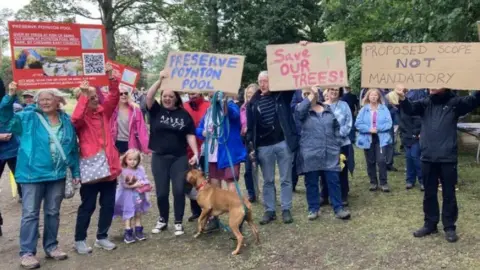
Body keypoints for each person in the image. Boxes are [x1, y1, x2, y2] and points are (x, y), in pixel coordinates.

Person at [0, 83, 81, 269]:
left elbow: (72, 149)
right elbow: (4, 118)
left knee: (53, 212)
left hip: (58, 175)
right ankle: (27, 252)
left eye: (48, 99)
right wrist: (10, 96)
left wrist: (75, 171)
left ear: (58, 101)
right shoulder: (28, 117)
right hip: (31, 174)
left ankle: (51, 246)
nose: (44, 102)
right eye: (41, 99)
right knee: (30, 214)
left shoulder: (66, 120)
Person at [395, 86, 480, 243]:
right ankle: (430, 224)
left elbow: (474, 101)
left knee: (449, 194)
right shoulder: (425, 103)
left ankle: (449, 227)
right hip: (427, 157)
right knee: (429, 193)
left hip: (447, 158)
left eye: (436, 83)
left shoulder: (455, 103)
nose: (431, 86)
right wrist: (402, 97)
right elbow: (409, 109)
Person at [72, 64, 122, 255]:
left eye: (94, 97)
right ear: (81, 99)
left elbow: (114, 97)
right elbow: (75, 119)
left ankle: (102, 236)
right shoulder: (80, 119)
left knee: (108, 204)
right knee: (88, 205)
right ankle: (80, 239)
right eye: (89, 97)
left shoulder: (103, 112)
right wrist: (84, 97)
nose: (94, 100)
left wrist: (111, 78)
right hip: (91, 168)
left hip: (109, 167)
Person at [146, 70, 198, 236]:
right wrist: (160, 80)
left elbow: (190, 135)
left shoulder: (184, 115)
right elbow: (148, 96)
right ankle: (162, 219)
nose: (167, 99)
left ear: (176, 98)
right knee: (161, 192)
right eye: (164, 96)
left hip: (179, 158)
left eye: (171, 96)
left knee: (178, 190)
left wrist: (195, 152)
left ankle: (178, 222)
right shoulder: (156, 111)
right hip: (159, 158)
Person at [246, 71, 298, 225]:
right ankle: (270, 210)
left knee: (285, 178)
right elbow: (250, 128)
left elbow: (293, 81)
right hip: (263, 147)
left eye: (266, 81)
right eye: (260, 81)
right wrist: (251, 148)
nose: (263, 84)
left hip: (282, 143)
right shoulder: (252, 103)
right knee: (268, 180)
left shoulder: (281, 96)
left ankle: (286, 208)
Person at [296, 87, 351, 220]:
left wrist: (337, 143)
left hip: (330, 152)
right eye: (307, 94)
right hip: (310, 152)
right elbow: (299, 114)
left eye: (313, 93)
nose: (311, 96)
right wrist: (310, 95)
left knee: (334, 180)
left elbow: (336, 127)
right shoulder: (303, 110)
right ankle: (313, 209)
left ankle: (338, 208)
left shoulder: (327, 109)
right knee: (312, 182)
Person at [355, 88, 392, 192]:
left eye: (376, 95)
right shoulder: (363, 109)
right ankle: (373, 182)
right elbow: (358, 124)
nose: (374, 97)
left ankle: (383, 182)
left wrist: (378, 129)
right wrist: (368, 129)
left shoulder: (384, 109)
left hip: (381, 138)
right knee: (370, 161)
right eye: (371, 95)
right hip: (367, 138)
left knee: (381, 160)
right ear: (368, 97)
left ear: (379, 97)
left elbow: (389, 123)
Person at [322, 87, 353, 206]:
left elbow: (348, 123)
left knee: (341, 169)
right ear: (327, 91)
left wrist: (337, 136)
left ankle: (343, 195)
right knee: (325, 170)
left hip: (342, 144)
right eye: (331, 89)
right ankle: (324, 195)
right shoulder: (322, 106)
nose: (334, 92)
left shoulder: (344, 105)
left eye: (336, 90)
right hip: (325, 145)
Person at [113, 149, 151, 244]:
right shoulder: (123, 170)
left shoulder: (140, 169)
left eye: (135, 159)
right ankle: (128, 232)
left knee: (138, 213)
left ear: (138, 160)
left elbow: (145, 178)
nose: (132, 162)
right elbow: (123, 184)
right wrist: (134, 185)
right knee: (129, 213)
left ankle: (138, 231)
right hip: (127, 196)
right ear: (125, 159)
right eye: (130, 159)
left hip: (138, 196)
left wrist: (144, 183)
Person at [183, 92, 210, 221]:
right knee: (191, 180)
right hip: (188, 150)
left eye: (194, 91)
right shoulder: (184, 106)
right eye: (190, 91)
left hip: (205, 149)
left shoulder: (208, 105)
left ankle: (207, 209)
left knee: (204, 180)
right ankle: (195, 210)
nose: (192, 94)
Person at [395, 90, 423, 190]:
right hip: (406, 136)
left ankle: (422, 180)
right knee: (409, 157)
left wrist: (417, 134)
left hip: (416, 136)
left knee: (415, 156)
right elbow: (402, 123)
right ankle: (410, 180)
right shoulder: (400, 109)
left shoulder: (415, 105)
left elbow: (419, 122)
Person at [110, 88, 149, 155]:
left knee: (130, 164)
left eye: (126, 93)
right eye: (121, 94)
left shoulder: (135, 110)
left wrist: (146, 147)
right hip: (116, 142)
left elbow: (142, 129)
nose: (123, 95)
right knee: (117, 165)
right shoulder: (112, 110)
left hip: (131, 143)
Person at [241, 84, 259, 202]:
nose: (249, 96)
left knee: (264, 170)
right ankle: (251, 193)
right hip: (248, 142)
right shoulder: (242, 108)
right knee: (248, 170)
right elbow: (239, 124)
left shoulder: (259, 105)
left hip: (259, 140)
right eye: (248, 93)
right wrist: (242, 130)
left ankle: (268, 193)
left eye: (252, 93)